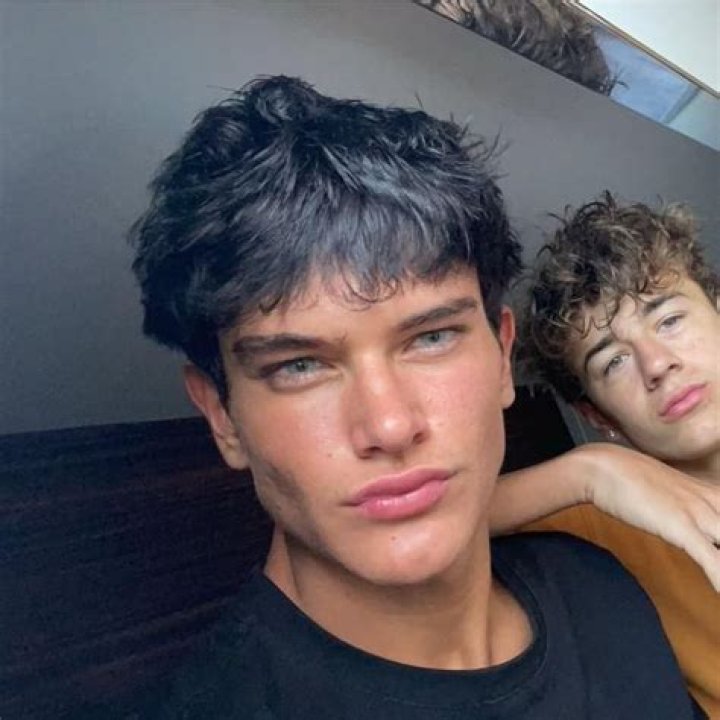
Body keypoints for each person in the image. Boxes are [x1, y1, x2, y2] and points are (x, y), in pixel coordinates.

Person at [126, 76, 703, 718]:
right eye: (299, 366)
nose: (390, 425)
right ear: (222, 416)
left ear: (502, 357)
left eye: (431, 338)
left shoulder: (602, 586)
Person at [499, 191, 718, 716]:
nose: (657, 364)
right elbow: (431, 532)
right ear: (598, 417)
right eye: (613, 361)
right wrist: (588, 470)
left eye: (669, 320)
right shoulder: (601, 524)